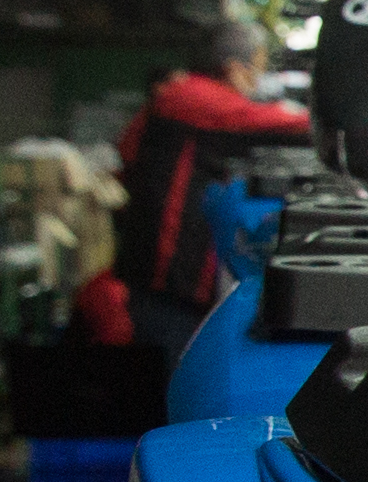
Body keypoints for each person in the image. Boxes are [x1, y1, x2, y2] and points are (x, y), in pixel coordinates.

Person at [102, 18, 311, 344]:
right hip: (167, 280)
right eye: (256, 69)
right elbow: (268, 121)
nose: (257, 80)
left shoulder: (182, 94)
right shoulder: (189, 95)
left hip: (172, 278)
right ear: (233, 67)